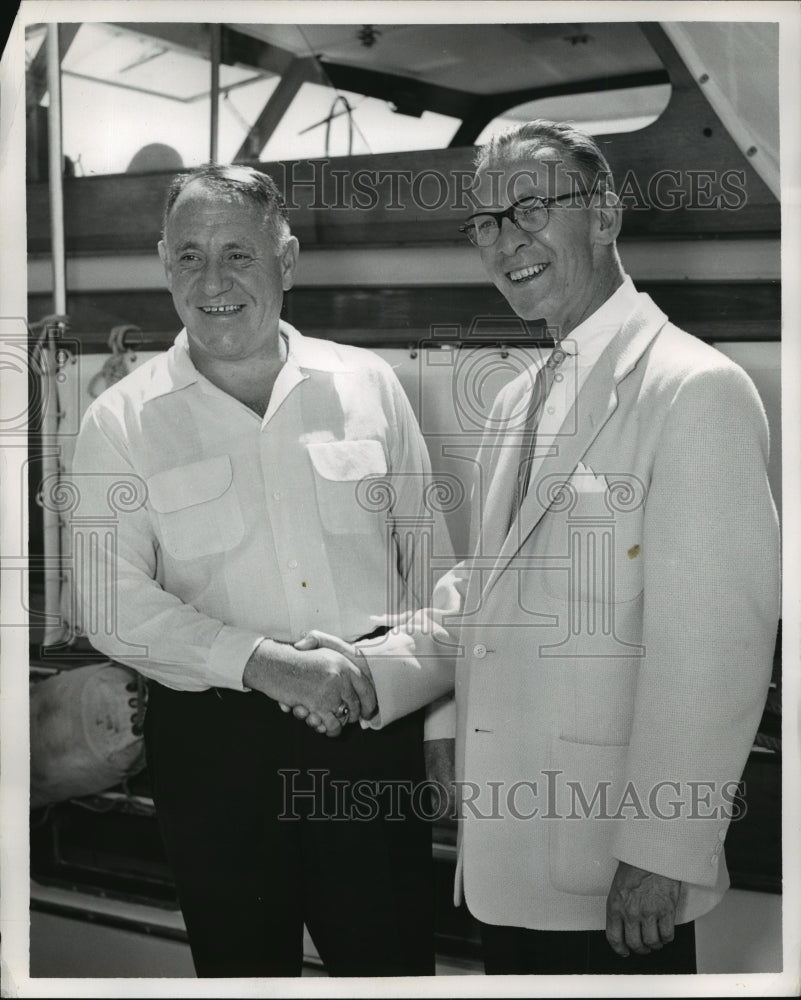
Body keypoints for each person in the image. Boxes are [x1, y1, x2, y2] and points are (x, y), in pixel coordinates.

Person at [310, 119, 781, 975]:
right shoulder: (515, 400)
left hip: (615, 865)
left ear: (603, 216)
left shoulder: (694, 388)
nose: (503, 242)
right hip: (506, 858)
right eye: (485, 223)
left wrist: (664, 850)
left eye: (528, 209)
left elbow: (718, 648)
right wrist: (376, 670)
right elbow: (487, 594)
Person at [68, 164, 454, 977]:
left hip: (370, 728)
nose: (213, 282)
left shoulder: (368, 385)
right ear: (162, 263)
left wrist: (444, 727)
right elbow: (108, 603)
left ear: (287, 257)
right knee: (242, 972)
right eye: (188, 257)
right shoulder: (120, 421)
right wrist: (269, 667)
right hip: (214, 748)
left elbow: (433, 570)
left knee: (392, 967)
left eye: (239, 254)